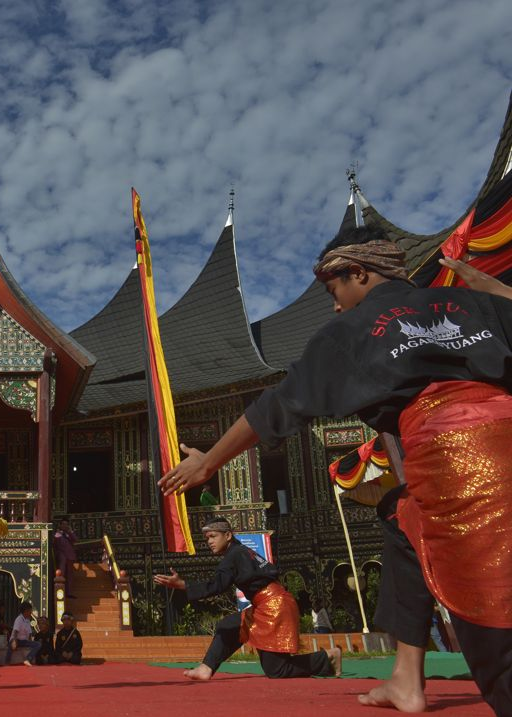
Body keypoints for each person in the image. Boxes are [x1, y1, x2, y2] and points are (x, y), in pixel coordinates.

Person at [160, 230, 512, 713]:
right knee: (400, 515)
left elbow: (276, 407)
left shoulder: (351, 331)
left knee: (502, 653)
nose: (334, 307)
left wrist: (207, 462)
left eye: (334, 292)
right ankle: (408, 680)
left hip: (458, 458)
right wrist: (498, 294)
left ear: (360, 274)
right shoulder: (466, 302)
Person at [154, 517, 340, 681]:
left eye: (213, 536)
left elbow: (217, 585)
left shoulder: (234, 555)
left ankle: (328, 658)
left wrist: (183, 585)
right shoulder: (240, 552)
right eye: (207, 538)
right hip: (269, 604)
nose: (209, 542)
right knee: (230, 627)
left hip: (274, 606)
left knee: (277, 670)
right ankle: (206, 668)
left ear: (227, 535)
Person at [4, 601, 43, 666]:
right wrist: (14, 641)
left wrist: (30, 643)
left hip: (24, 641)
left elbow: (30, 633)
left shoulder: (27, 620)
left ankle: (28, 659)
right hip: (16, 639)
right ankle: (7, 662)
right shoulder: (19, 619)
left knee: (38, 644)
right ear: (26, 611)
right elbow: (15, 631)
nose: (31, 613)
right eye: (30, 611)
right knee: (11, 644)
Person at [53, 518, 77, 598]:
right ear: (60, 525)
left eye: (66, 524)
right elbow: (55, 546)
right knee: (61, 574)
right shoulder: (57, 534)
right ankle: (61, 593)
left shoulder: (68, 534)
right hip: (62, 557)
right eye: (63, 524)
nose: (65, 526)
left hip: (70, 557)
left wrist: (70, 531)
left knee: (70, 576)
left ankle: (69, 593)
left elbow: (75, 540)